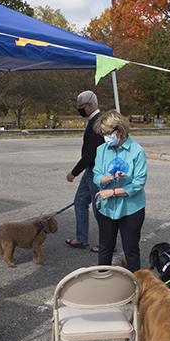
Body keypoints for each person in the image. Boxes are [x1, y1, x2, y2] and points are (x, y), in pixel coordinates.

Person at [93, 110, 147, 272]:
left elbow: (138, 184)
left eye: (108, 133)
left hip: (131, 210)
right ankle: (103, 283)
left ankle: (135, 288)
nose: (105, 137)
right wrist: (110, 177)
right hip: (107, 209)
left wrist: (113, 192)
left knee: (131, 250)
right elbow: (96, 177)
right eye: (103, 133)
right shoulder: (101, 150)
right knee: (105, 248)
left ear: (120, 131)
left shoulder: (137, 151)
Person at [65, 90, 103, 253]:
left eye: (80, 106)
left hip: (96, 171)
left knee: (99, 209)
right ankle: (81, 239)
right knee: (80, 202)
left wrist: (74, 172)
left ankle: (107, 243)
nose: (79, 110)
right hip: (90, 171)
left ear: (89, 104)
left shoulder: (98, 122)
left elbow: (90, 153)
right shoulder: (92, 120)